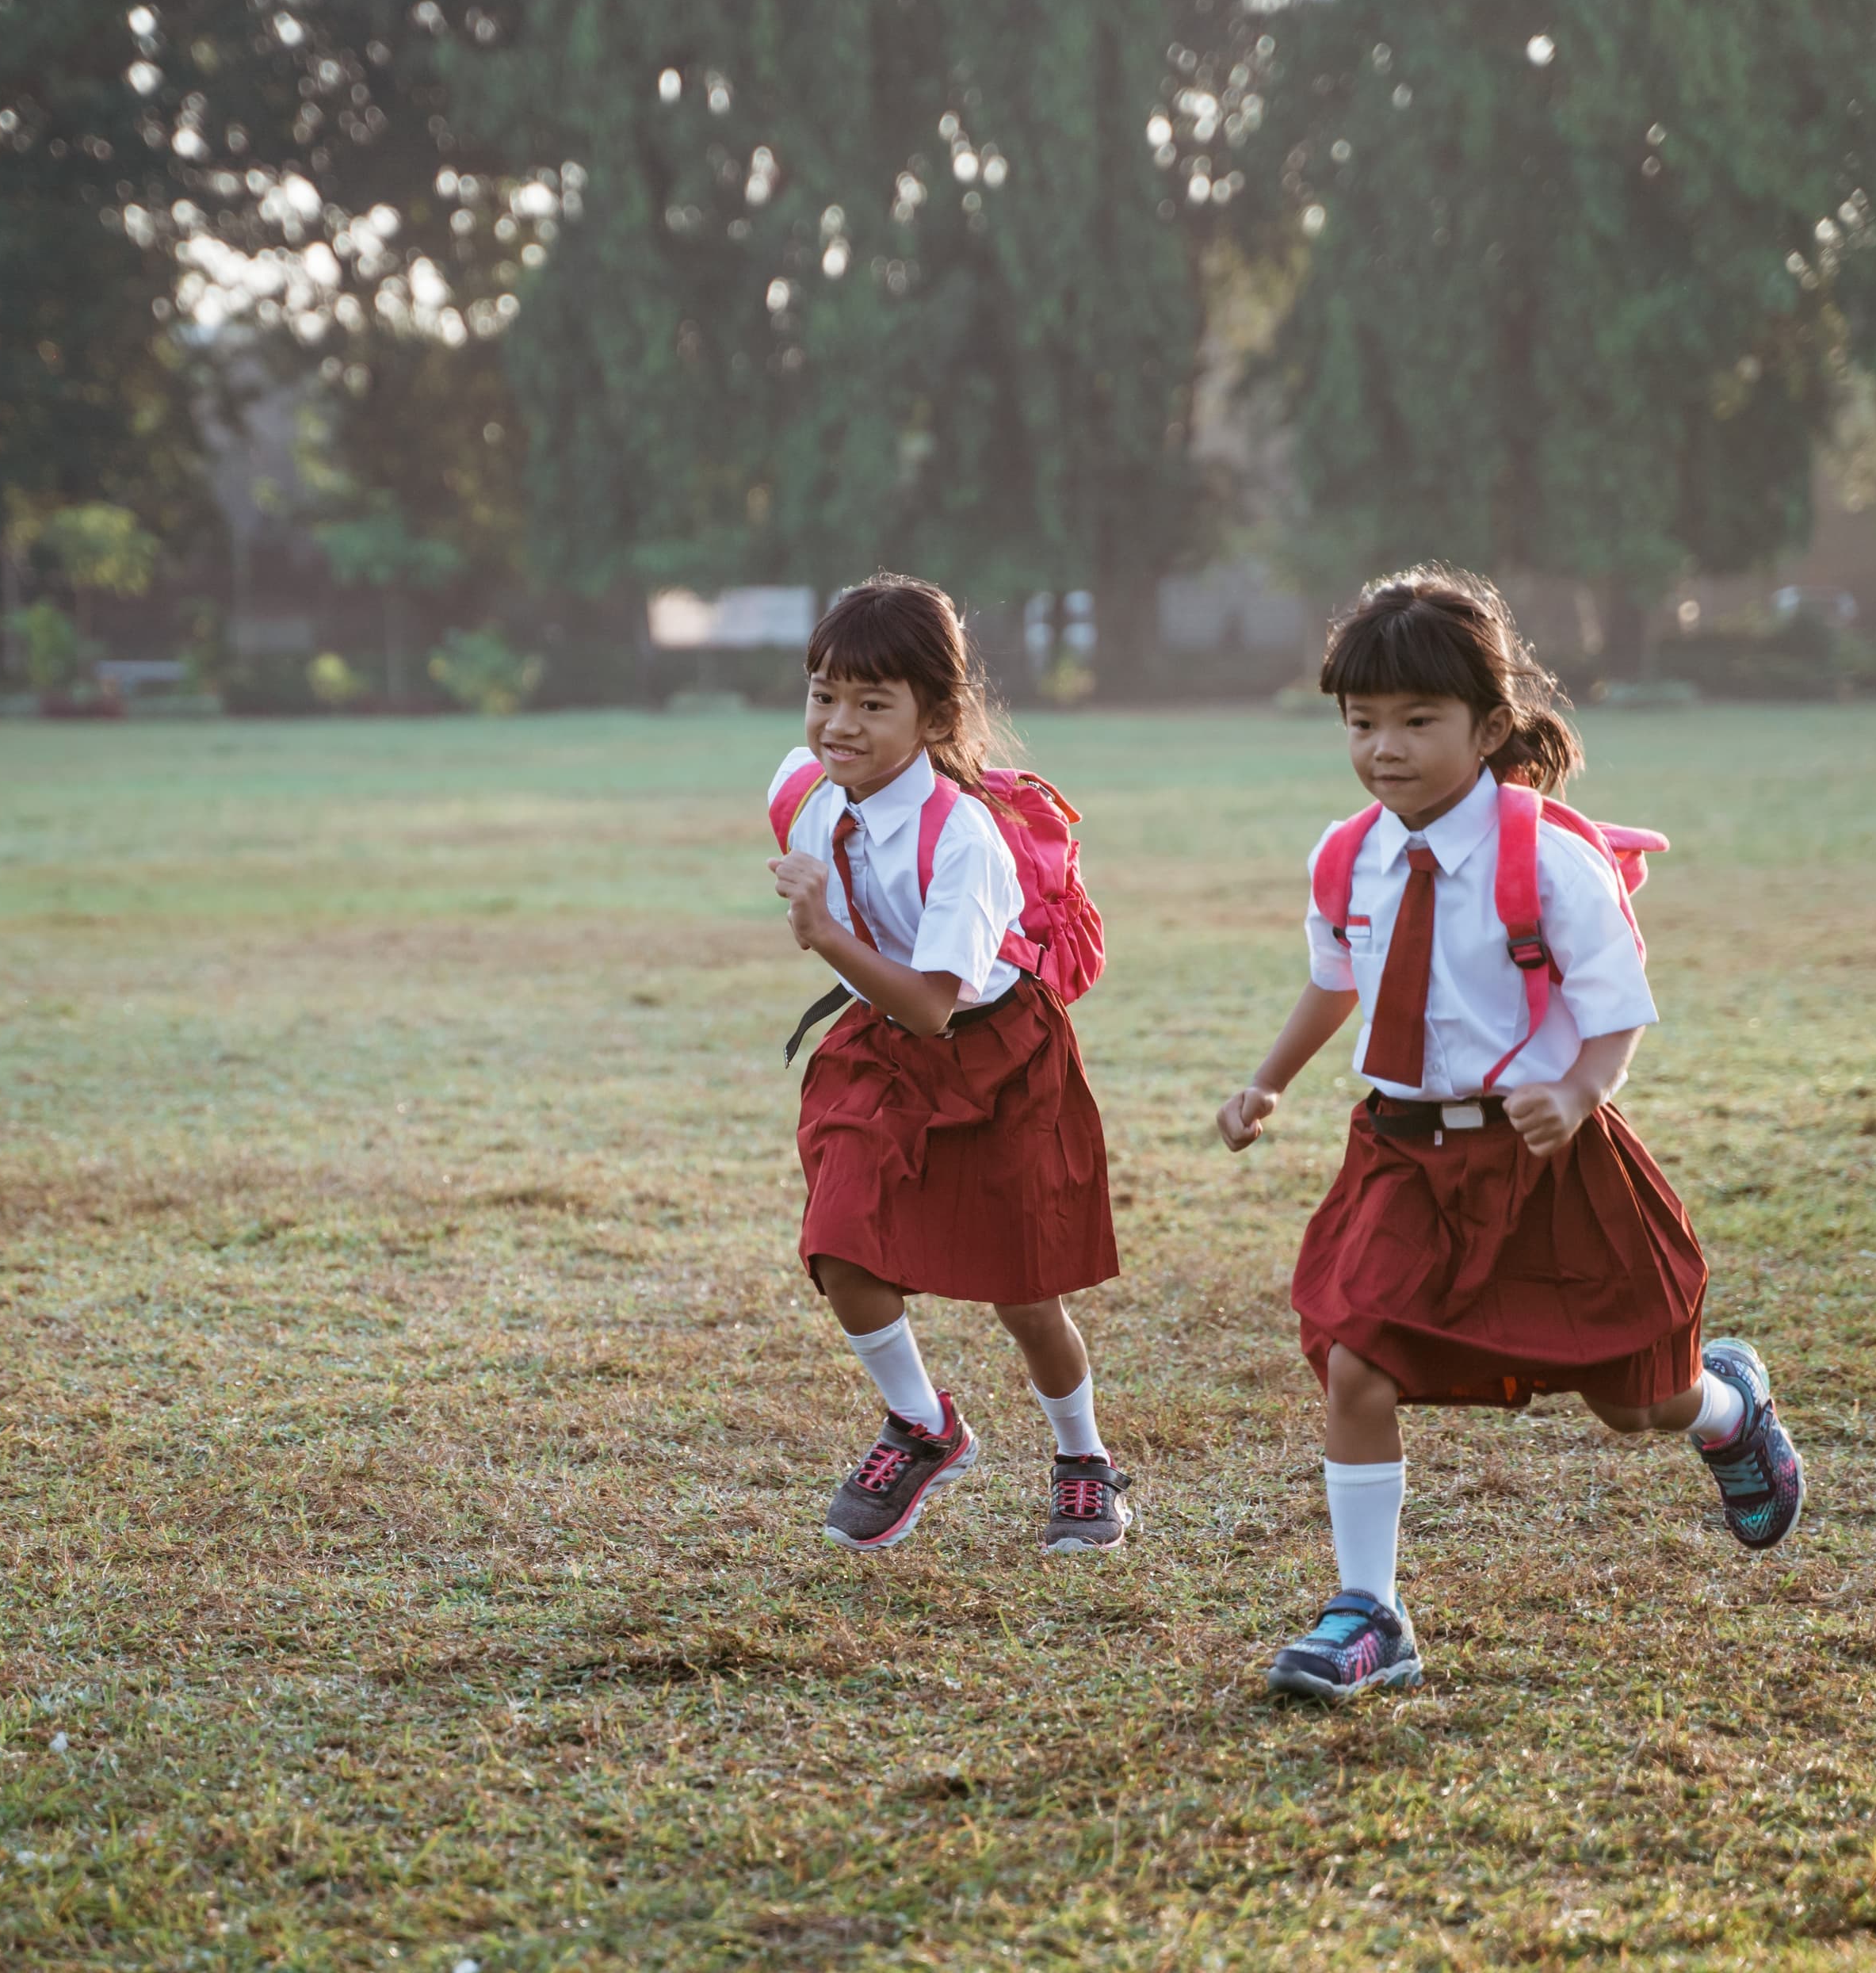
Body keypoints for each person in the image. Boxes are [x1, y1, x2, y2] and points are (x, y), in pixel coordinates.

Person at [1217, 565, 1805, 1701]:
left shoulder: (1550, 859)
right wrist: (1265, 1082)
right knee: (1357, 1362)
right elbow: (1335, 982)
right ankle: (1369, 1615)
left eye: (1418, 723)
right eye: (1362, 723)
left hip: (1543, 1159)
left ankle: (1729, 1408)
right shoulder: (1348, 856)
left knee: (1639, 1402)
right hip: (1401, 1153)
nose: (1386, 749)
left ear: (1488, 726)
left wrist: (1578, 1094)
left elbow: (1618, 1013)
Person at [768, 575, 1129, 1554]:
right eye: (824, 694)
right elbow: (790, 793)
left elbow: (933, 1003)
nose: (839, 724)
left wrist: (821, 933)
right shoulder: (811, 796)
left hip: (995, 1052)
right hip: (880, 1047)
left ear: (935, 717)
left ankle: (1084, 1460)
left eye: (873, 704)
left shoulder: (964, 838)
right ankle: (924, 1425)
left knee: (1025, 1294)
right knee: (839, 1240)